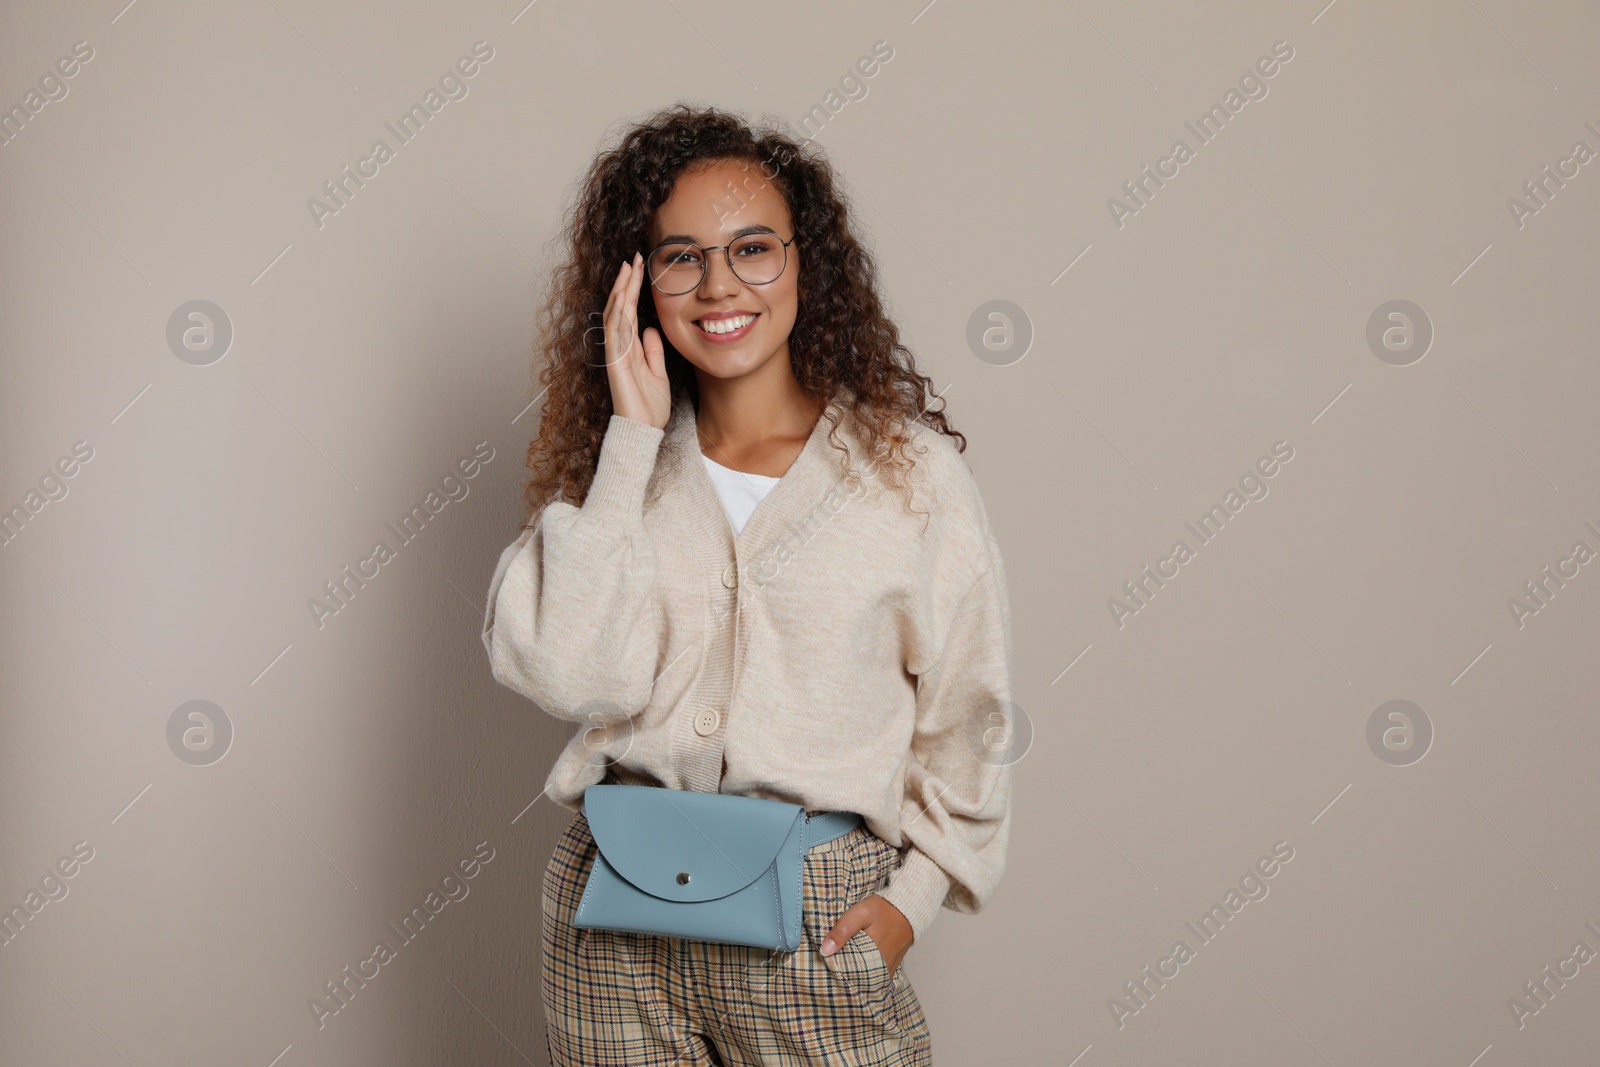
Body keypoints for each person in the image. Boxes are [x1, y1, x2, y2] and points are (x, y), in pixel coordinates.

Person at [481, 103, 1015, 1066]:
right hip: (614, 926)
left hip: (818, 918)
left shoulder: (907, 476)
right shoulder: (613, 473)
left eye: (753, 247)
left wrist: (910, 900)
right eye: (682, 255)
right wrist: (630, 445)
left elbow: (969, 713)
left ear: (806, 261)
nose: (719, 283)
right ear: (639, 280)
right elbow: (568, 677)